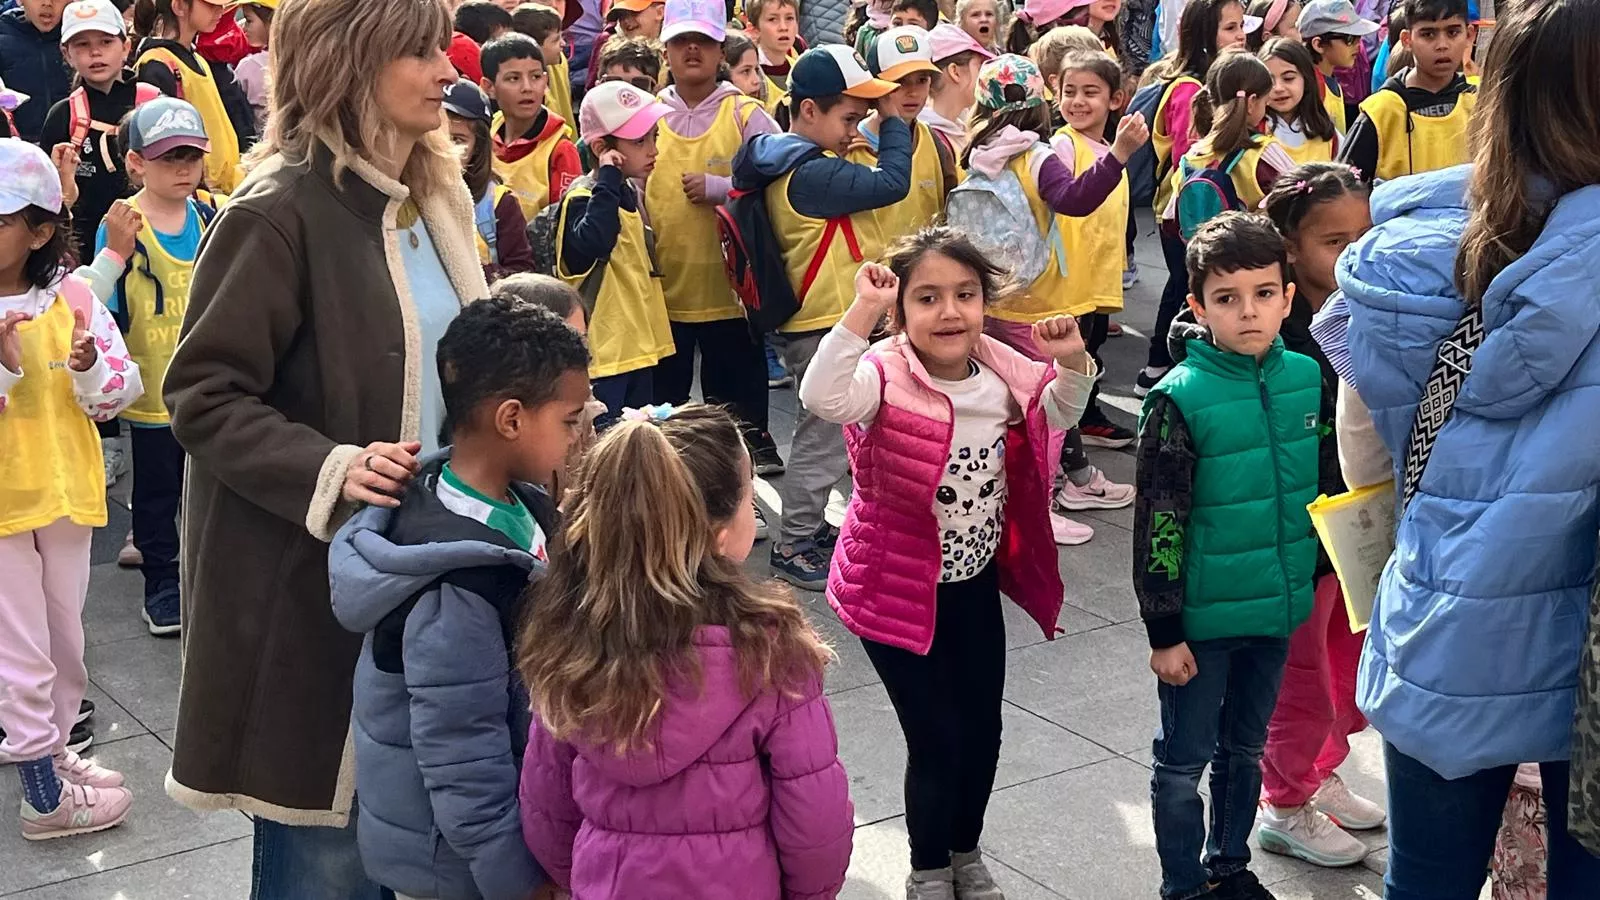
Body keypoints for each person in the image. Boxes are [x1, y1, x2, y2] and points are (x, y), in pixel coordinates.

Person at [160, 0, 489, 894]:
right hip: (311, 594)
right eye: (420, 51)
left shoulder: (436, 189)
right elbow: (201, 394)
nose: (446, 67)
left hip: (436, 580)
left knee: (420, 849)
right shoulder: (276, 210)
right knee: (328, 859)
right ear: (353, 59)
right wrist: (332, 468)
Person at [1340, 0, 1600, 893]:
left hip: (1448, 625)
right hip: (1588, 664)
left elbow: (1366, 457)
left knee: (1425, 882)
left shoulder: (1407, 261)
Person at [800, 231, 1095, 899]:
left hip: (970, 585)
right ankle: (928, 867)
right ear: (901, 311)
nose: (950, 312)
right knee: (935, 736)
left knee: (982, 729)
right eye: (927, 298)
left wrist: (1072, 357)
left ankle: (967, 851)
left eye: (965, 295)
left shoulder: (1000, 370)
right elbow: (823, 396)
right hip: (893, 587)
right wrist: (858, 314)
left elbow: (1059, 410)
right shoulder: (880, 373)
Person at [517, 404, 854, 899]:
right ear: (720, 534)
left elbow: (547, 809)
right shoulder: (771, 651)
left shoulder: (570, 638)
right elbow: (815, 820)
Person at [331, 297, 589, 900]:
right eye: (571, 420)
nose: (579, 437)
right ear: (511, 419)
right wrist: (518, 880)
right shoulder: (457, 584)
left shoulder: (514, 504)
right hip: (460, 869)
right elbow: (462, 758)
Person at [1133, 211, 1321, 900]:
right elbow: (1159, 522)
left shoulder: (1305, 377)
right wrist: (1164, 631)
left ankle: (1229, 867)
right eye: (1227, 297)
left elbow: (1316, 485)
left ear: (1287, 296)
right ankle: (1182, 885)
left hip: (1274, 610)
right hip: (1201, 625)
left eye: (1264, 294)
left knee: (1244, 750)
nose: (1249, 312)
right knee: (1182, 762)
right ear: (1197, 306)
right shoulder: (1179, 399)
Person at [0, 138, 141, 841]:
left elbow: (117, 394)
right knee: (20, 651)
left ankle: (55, 755)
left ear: (40, 229)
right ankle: (42, 798)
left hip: (65, 496)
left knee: (63, 642)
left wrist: (87, 368)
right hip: (3, 511)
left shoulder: (74, 296)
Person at [729, 45, 911, 589]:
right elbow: (892, 183)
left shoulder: (791, 160)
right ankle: (797, 541)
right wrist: (895, 121)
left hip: (831, 319)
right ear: (808, 110)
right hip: (823, 324)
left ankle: (812, 531)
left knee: (837, 432)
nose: (855, 129)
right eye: (848, 118)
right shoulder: (808, 174)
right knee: (823, 438)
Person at [1249, 161, 1379, 871]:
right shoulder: (1274, 324)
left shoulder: (1370, 306)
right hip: (1298, 531)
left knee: (1343, 665)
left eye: (1364, 235)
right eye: (1334, 241)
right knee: (1302, 676)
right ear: (1289, 247)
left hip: (1351, 525)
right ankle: (1285, 801)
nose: (1353, 253)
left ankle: (1318, 771)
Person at [963, 53, 1139, 545]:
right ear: (1042, 100)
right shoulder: (1036, 154)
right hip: (1041, 305)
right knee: (1046, 414)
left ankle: (1010, 499)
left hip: (995, 298)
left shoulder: (977, 150)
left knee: (1007, 410)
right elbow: (1076, 198)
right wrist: (1119, 154)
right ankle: (1037, 510)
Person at [93, 97, 213, 637]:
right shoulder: (122, 226)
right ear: (137, 162)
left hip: (210, 391)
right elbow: (106, 310)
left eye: (192, 155)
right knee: (158, 496)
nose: (184, 167)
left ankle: (205, 577)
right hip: (151, 396)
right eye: (170, 157)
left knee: (209, 493)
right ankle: (161, 584)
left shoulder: (212, 214)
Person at [648, 0, 783, 478]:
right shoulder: (646, 116)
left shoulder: (747, 115)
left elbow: (782, 191)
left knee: (738, 422)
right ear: (664, 49)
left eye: (702, 40)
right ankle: (671, 510)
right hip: (662, 301)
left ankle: (744, 503)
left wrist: (724, 189)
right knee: (663, 426)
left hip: (733, 300)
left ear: (720, 48)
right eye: (681, 39)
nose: (691, 49)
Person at [1135, 0, 1257, 398]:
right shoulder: (1190, 89)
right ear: (1205, 35)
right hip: (1184, 211)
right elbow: (1196, 155)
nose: (1240, 36)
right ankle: (1159, 364)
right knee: (1183, 287)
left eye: (1241, 27)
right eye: (1229, 28)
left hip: (1203, 208)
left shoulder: (1220, 82)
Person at [554, 80, 674, 425]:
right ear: (603, 147)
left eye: (654, 137)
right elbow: (595, 241)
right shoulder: (585, 198)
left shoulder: (624, 192)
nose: (652, 149)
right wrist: (607, 177)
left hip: (636, 348)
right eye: (639, 141)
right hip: (606, 357)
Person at [1048, 50, 1136, 448]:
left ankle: (1083, 419)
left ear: (1114, 99)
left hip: (1096, 277)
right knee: (1076, 355)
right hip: (1071, 279)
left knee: (1093, 346)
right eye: (1069, 91)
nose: (1078, 101)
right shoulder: (1063, 144)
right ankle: (1073, 429)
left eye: (1090, 92)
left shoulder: (1106, 146)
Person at [38, 0, 151, 268]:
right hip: (86, 249)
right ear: (66, 54)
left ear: (126, 47)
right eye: (82, 45)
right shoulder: (62, 116)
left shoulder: (153, 103)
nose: (95, 53)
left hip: (150, 239)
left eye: (105, 42)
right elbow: (46, 196)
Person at [486, 272, 602, 496]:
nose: (579, 357)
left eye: (582, 341)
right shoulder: (499, 433)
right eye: (566, 343)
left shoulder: (584, 406)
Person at [1337, 0, 1472, 182]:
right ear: (1407, 40)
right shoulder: (1380, 112)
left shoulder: (1480, 103)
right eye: (1428, 34)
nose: (1442, 45)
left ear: (1470, 36)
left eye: (1453, 32)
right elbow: (1345, 188)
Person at [852, 24, 954, 261]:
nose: (913, 92)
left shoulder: (935, 142)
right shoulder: (849, 144)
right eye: (899, 81)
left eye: (921, 79)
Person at [132, 0, 247, 192]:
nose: (221, 10)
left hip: (223, 190)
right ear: (179, 6)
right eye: (211, 5)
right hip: (198, 191)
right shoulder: (157, 64)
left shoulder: (198, 58)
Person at [443, 79, 537, 282]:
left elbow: (522, 272)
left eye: (458, 140)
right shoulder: (405, 191)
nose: (444, 148)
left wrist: (476, 272)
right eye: (436, 136)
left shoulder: (498, 203)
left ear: (478, 146)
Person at [482, 33, 582, 221]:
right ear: (489, 87)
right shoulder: (488, 131)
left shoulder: (559, 150)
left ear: (545, 81)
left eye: (535, 77)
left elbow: (564, 225)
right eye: (513, 79)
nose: (527, 87)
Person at [1294, 0, 1375, 132]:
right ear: (1318, 44)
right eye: (1349, 38)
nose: (1358, 45)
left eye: (1359, 37)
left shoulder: (1331, 82)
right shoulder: (1309, 91)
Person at [1259, 37, 1339, 166]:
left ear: (1306, 80)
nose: (1278, 88)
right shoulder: (1254, 134)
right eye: (1269, 81)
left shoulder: (1328, 134)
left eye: (1288, 78)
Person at [0, 0, 71, 142]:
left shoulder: (82, 36)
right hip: (17, 149)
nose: (47, 3)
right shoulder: (3, 35)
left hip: (76, 147)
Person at [920, 22, 993, 153]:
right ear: (955, 72)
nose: (984, 75)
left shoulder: (958, 128)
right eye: (978, 66)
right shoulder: (929, 141)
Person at [511, 3, 577, 138]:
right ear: (533, 47)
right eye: (556, 40)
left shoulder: (560, 60)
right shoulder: (523, 89)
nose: (563, 44)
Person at [232, 0, 274, 134]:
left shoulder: (249, 66)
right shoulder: (302, 60)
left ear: (271, 22)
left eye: (249, 20)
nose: (244, 27)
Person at [748, 0, 801, 92]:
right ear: (754, 30)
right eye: (772, 19)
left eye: (789, 18)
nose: (783, 27)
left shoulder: (801, 69)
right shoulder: (748, 74)